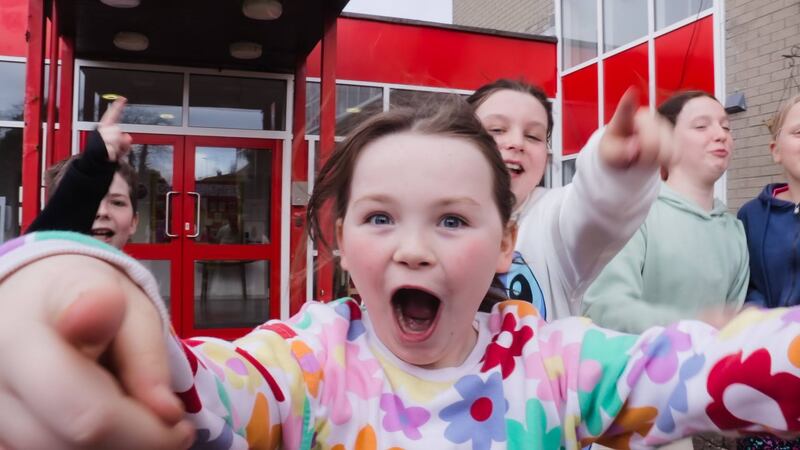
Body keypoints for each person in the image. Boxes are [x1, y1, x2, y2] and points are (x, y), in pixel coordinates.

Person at [2, 98, 800, 450]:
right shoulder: (310, 363)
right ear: (340, 241)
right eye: (380, 218)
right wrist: (52, 274)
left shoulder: (555, 363)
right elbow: (196, 393)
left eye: (452, 220)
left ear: (503, 245)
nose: (413, 249)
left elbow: (708, 368)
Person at [467, 79, 672, 319]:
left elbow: (597, 207)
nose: (516, 143)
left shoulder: (552, 220)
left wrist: (616, 171)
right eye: (497, 130)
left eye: (533, 136)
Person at [582, 91, 749, 333]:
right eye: (701, 126)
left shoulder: (734, 230)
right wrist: (699, 327)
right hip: (638, 367)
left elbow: (733, 325)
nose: (720, 135)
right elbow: (603, 308)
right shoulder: (636, 212)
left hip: (714, 368)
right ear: (665, 137)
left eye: (726, 127)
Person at [736, 95, 800, 450]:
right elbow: (746, 287)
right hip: (768, 387)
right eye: (799, 131)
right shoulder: (751, 216)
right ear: (776, 150)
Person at [27, 98, 139, 250]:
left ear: (134, 222)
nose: (102, 212)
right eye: (83, 200)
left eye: (117, 202)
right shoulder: (30, 272)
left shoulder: (136, 274)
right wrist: (92, 167)